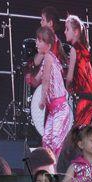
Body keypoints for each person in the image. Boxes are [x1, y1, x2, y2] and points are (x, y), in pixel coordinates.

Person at [33, 26, 73, 158]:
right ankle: (50, 168)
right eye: (37, 40)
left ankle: (58, 169)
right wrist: (30, 77)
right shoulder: (47, 59)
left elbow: (45, 81)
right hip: (53, 110)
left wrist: (42, 99)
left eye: (40, 41)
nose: (36, 43)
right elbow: (36, 80)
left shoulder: (49, 58)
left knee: (56, 142)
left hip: (60, 109)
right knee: (46, 141)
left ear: (48, 45)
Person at [63, 15, 92, 127]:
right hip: (91, 94)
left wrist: (67, 90)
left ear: (76, 32)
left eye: (67, 29)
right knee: (85, 130)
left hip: (85, 95)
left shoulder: (74, 49)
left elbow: (69, 78)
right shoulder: (83, 48)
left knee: (79, 131)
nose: (64, 32)